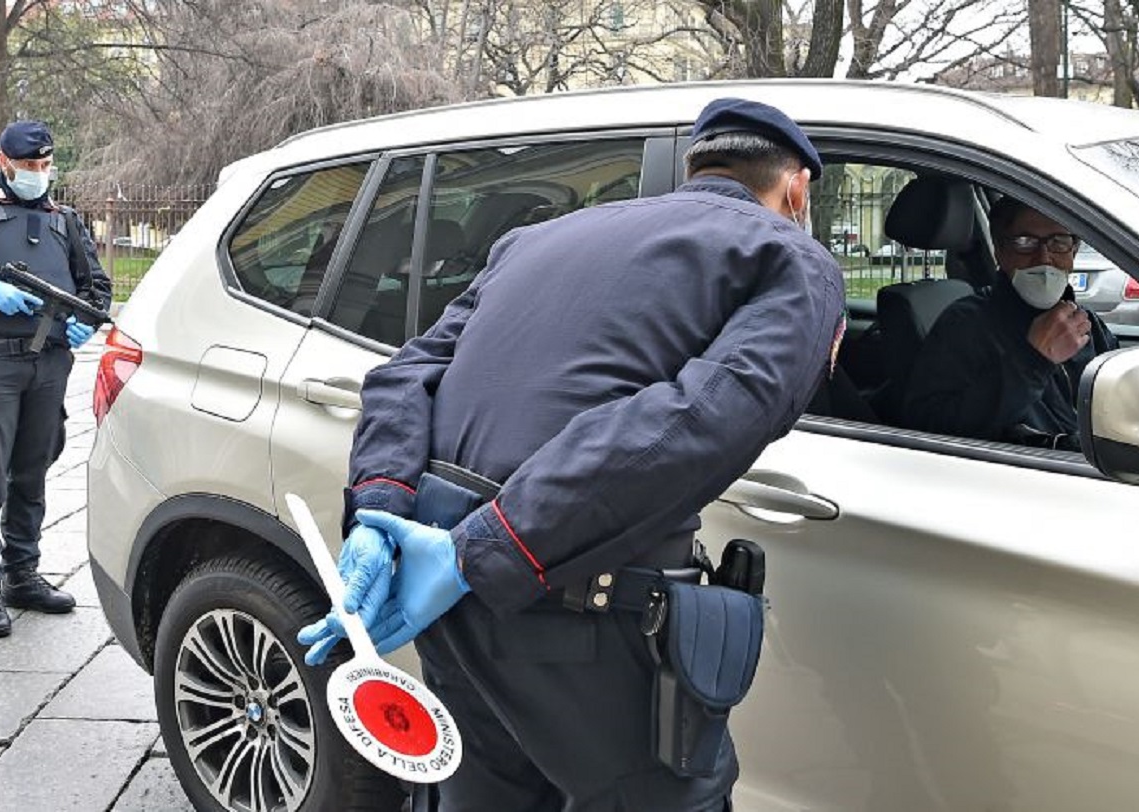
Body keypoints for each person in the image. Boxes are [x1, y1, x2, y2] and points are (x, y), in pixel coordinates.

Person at [298, 98, 846, 811]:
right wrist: (478, 553)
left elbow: (407, 372)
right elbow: (699, 419)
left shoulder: (539, 238)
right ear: (796, 188)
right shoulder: (794, 259)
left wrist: (380, 506)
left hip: (453, 593)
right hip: (579, 607)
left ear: (697, 166)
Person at [0, 120, 111, 638]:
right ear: (5, 162)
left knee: (32, 471)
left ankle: (21, 574)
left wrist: (86, 320)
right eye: (29, 166)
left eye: (45, 166)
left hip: (48, 363)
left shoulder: (65, 221)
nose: (39, 174)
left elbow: (96, 284)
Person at [902, 195, 1117, 450]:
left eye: (1058, 241)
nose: (1044, 258)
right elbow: (927, 426)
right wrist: (1032, 360)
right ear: (1000, 253)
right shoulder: (966, 324)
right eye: (1025, 242)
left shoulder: (1088, 325)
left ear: (1073, 251)